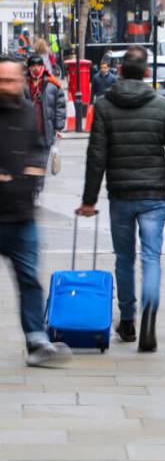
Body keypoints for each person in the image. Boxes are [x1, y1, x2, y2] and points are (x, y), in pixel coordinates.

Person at [76, 46, 165, 353]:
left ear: (119, 71)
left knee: (124, 259)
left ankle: (128, 319)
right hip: (154, 196)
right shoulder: (162, 107)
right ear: (146, 72)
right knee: (151, 258)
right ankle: (150, 306)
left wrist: (89, 200)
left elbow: (96, 157)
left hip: (120, 195)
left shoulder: (105, 106)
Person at [0, 56, 71, 367]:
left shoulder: (29, 112)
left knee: (30, 279)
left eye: (12, 80)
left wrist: (31, 173)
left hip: (21, 214)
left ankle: (37, 340)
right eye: (2, 81)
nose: (8, 86)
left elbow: (35, 150)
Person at [24, 54, 66, 168]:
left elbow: (60, 106)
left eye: (38, 65)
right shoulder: (22, 84)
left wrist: (59, 127)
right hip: (27, 132)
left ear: (43, 66)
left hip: (45, 131)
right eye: (33, 65)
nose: (36, 68)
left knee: (42, 166)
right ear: (29, 67)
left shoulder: (52, 84)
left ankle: (38, 183)